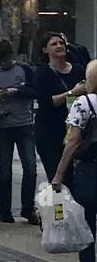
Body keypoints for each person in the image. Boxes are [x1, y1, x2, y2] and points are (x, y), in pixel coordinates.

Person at [49, 60, 97, 262]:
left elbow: (73, 142)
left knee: (87, 229)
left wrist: (58, 174)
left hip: (89, 171)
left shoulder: (84, 103)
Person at [0, 37, 37, 225]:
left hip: (24, 124)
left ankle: (27, 208)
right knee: (5, 171)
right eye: (0, 61)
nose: (3, 63)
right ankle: (4, 210)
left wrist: (16, 91)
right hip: (3, 126)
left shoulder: (24, 69)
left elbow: (34, 91)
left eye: (5, 59)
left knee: (30, 168)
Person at [35, 32, 86, 183]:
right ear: (45, 50)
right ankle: (58, 207)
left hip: (75, 131)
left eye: (61, 43)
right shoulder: (42, 73)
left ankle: (73, 207)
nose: (59, 46)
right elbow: (47, 102)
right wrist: (72, 92)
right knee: (57, 178)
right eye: (54, 44)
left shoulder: (78, 70)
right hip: (50, 133)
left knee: (74, 179)